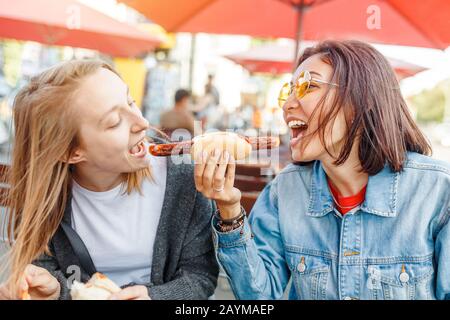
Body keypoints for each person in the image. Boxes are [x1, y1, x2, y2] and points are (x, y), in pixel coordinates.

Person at [194, 40, 450, 300]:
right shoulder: (285, 190)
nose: (287, 105)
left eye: (310, 86)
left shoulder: (437, 193)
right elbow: (259, 296)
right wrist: (229, 208)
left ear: (361, 101)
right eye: (290, 91)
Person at [0, 60, 218, 300]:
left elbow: (200, 277)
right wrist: (55, 290)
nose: (142, 122)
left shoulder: (183, 176)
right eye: (115, 122)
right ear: (71, 152)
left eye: (130, 101)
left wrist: (154, 297)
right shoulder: (43, 197)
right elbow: (50, 274)